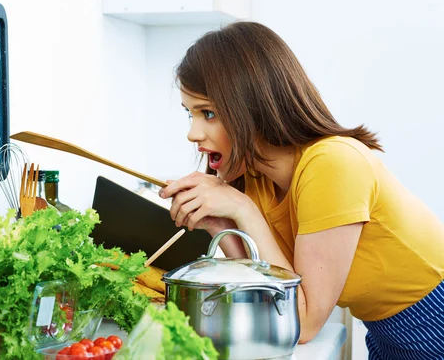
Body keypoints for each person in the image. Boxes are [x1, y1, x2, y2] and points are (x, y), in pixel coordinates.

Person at [159, 21, 444, 360]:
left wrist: (244, 211)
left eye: (208, 113)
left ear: (253, 106)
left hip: (433, 323)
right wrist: (223, 225)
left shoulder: (333, 163)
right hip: (387, 332)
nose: (193, 133)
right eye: (189, 114)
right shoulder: (258, 178)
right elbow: (269, 288)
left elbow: (302, 322)